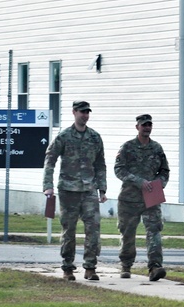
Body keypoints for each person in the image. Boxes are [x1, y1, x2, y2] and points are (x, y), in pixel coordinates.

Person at [43, 100, 107, 281]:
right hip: (68, 190)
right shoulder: (64, 136)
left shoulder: (95, 137)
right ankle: (68, 267)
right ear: (74, 112)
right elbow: (50, 159)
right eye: (82, 112)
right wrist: (48, 185)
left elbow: (100, 164)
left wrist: (102, 188)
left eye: (87, 112)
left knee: (93, 229)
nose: (85, 115)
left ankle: (90, 267)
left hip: (88, 190)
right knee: (69, 230)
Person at [113, 113, 170, 281]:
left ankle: (155, 267)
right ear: (137, 127)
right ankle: (126, 265)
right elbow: (119, 169)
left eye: (149, 125)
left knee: (154, 231)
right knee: (128, 232)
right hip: (129, 198)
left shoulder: (157, 148)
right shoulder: (127, 147)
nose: (147, 128)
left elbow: (164, 171)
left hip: (151, 198)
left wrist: (159, 184)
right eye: (144, 125)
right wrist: (138, 181)